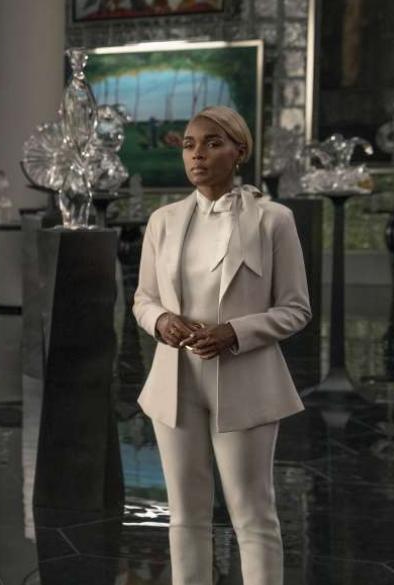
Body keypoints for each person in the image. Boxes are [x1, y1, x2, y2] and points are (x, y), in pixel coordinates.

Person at [133, 106, 311, 585]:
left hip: (246, 381)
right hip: (175, 383)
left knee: (252, 514)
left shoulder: (274, 220)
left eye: (213, 143)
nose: (198, 155)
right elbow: (143, 299)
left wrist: (234, 333)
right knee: (184, 514)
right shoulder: (163, 221)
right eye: (190, 145)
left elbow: (296, 309)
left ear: (239, 152)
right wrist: (162, 321)